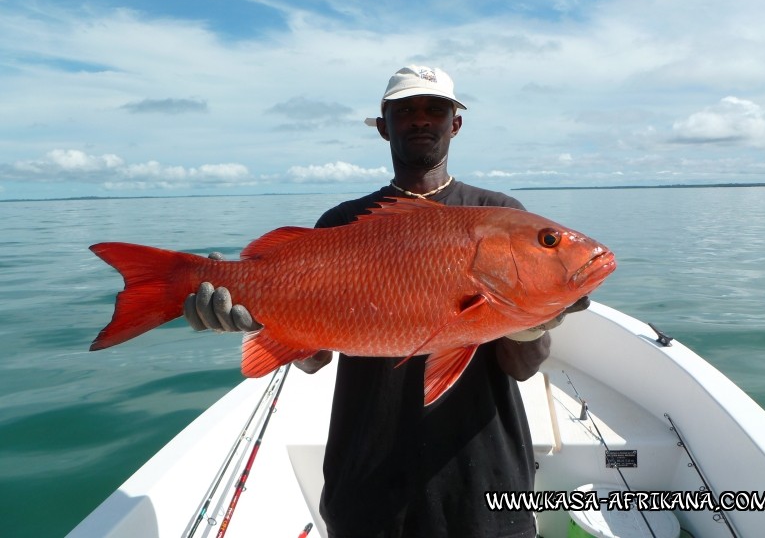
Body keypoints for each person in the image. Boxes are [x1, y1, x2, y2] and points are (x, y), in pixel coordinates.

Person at [185, 65, 589, 537]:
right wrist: (254, 316)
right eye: (405, 111)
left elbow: (521, 367)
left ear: (454, 124)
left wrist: (534, 321)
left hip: (484, 486)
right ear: (383, 126)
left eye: (435, 109)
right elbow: (314, 357)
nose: (421, 119)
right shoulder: (341, 220)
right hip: (367, 487)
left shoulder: (500, 214)